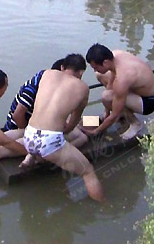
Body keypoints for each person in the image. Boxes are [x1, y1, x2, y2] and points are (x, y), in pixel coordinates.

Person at [0, 55, 89, 175]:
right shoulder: (38, 88)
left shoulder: (45, 82)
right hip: (26, 128)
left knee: (80, 126)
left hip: (31, 129)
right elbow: (18, 115)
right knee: (81, 134)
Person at [22, 56, 105, 202]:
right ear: (81, 72)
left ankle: (30, 157)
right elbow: (73, 122)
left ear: (62, 67)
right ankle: (104, 205)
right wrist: (66, 129)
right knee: (88, 172)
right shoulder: (83, 88)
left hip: (28, 134)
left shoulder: (46, 74)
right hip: (49, 140)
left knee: (57, 133)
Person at [84, 43, 154, 140]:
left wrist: (96, 131)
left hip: (149, 101)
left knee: (107, 97)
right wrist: (106, 111)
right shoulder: (115, 55)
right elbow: (112, 77)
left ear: (105, 62)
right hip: (137, 88)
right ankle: (119, 112)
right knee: (100, 75)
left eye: (96, 67)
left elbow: (114, 114)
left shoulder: (122, 78)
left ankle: (135, 124)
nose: (95, 70)